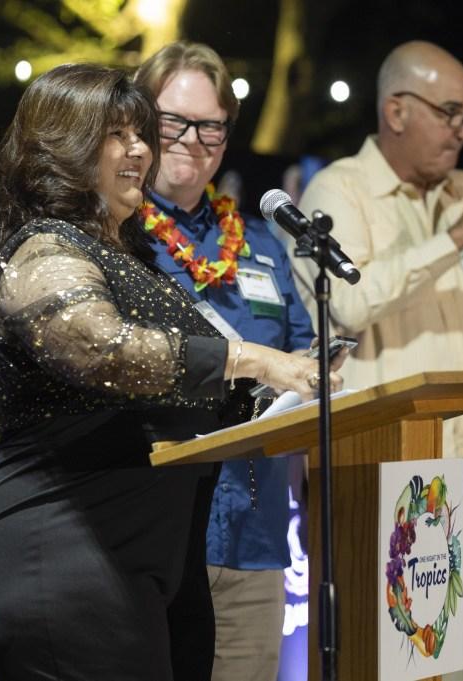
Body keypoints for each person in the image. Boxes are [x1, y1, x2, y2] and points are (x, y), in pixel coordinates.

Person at [0, 63, 340, 681]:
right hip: (59, 554)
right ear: (63, 147)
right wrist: (249, 358)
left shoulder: (127, 262)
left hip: (134, 565)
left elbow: (176, 393)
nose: (139, 149)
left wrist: (277, 397)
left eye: (140, 133)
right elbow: (104, 350)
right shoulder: (43, 250)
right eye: (115, 134)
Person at [291, 41, 463, 680]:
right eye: (450, 113)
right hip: (386, 472)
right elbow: (350, 304)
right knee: (384, 666)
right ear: (397, 110)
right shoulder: (340, 191)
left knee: (451, 669)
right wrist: (460, 233)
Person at [134, 42, 316, 681]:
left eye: (210, 125)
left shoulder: (260, 243)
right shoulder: (112, 238)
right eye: (174, 121)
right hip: (147, 535)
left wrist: (314, 370)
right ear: (138, 120)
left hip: (252, 535)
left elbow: (303, 353)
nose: (192, 139)